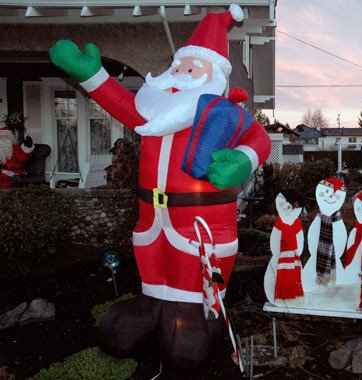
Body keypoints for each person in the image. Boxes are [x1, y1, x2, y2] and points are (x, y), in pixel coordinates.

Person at [50, 4, 271, 369]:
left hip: (199, 222)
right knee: (153, 272)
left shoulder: (219, 113)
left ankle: (194, 317)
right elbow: (120, 101)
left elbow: (257, 136)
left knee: (186, 309)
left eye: (191, 69)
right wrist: (92, 75)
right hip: (151, 217)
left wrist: (244, 161)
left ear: (213, 77)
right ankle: (153, 305)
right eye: (179, 66)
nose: (179, 74)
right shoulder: (153, 111)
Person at [0, 112, 34, 189]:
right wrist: (28, 147)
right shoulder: (13, 146)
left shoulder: (10, 146)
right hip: (10, 173)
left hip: (7, 172)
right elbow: (22, 157)